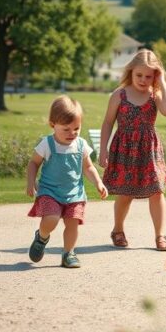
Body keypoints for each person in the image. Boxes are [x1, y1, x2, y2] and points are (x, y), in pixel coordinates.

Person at [99, 49, 166, 251]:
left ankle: (160, 236)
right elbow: (107, 123)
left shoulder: (155, 94)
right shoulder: (119, 95)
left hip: (149, 150)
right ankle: (118, 230)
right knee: (125, 194)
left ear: (155, 76)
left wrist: (162, 82)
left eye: (149, 76)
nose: (143, 80)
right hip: (124, 150)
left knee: (157, 190)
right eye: (139, 75)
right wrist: (103, 150)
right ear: (131, 72)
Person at [26, 96, 108, 268]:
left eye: (76, 128)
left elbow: (88, 167)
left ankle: (68, 253)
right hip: (50, 192)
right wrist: (30, 182)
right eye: (66, 129)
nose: (72, 133)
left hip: (75, 194)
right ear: (52, 125)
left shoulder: (81, 144)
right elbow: (33, 163)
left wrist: (98, 182)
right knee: (52, 219)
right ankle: (41, 237)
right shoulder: (46, 144)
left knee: (73, 224)